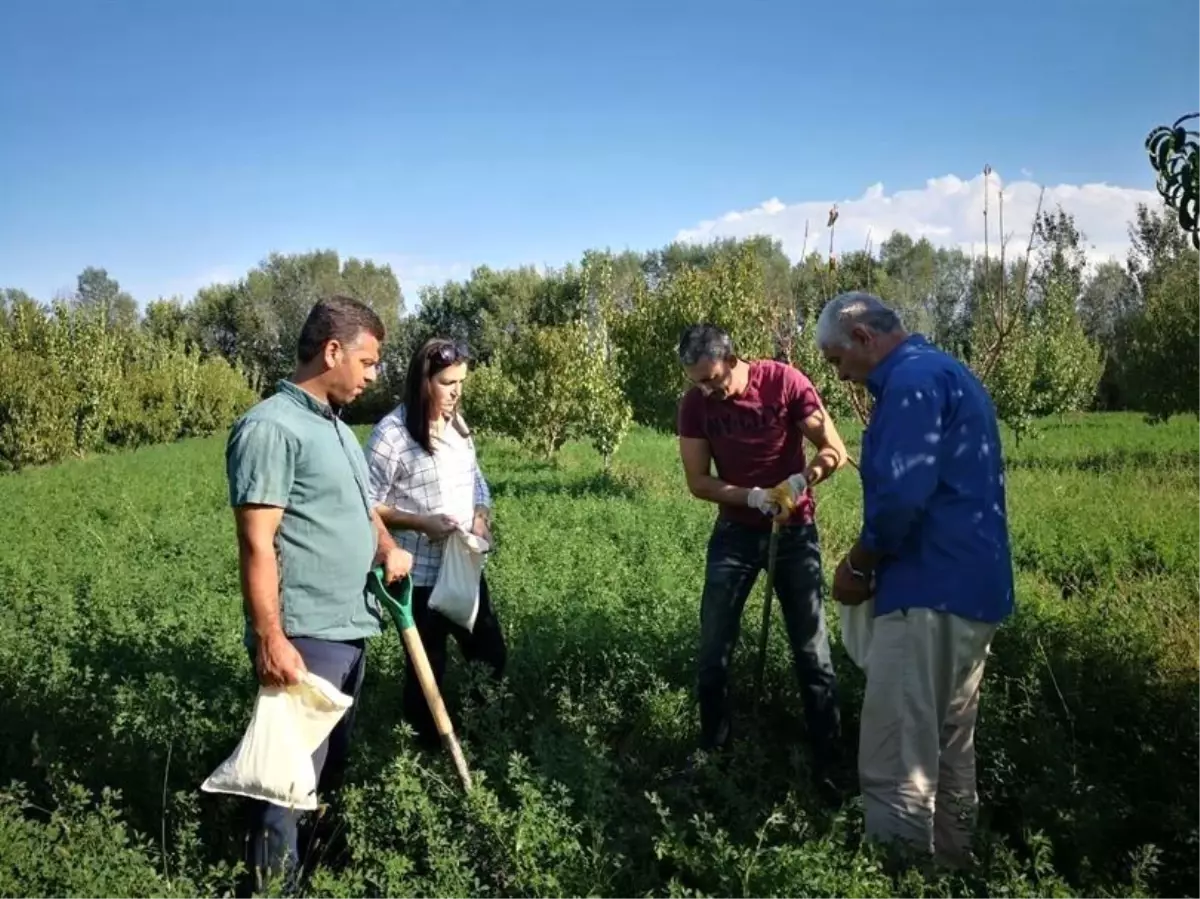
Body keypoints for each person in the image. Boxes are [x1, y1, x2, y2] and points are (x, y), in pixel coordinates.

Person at [816, 291, 1015, 869]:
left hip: (927, 590)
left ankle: (900, 876)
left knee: (898, 755)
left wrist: (858, 565)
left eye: (836, 360)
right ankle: (953, 866)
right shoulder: (951, 373)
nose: (841, 374)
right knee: (951, 745)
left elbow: (902, 496)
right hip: (973, 590)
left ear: (862, 338)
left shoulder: (909, 385)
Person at [225, 294, 414, 894]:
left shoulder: (334, 427)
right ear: (332, 351)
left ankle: (314, 876)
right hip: (305, 639)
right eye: (369, 361)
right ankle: (275, 888)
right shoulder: (270, 428)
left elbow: (362, 511)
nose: (374, 374)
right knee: (284, 783)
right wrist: (271, 638)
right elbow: (257, 544)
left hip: (349, 627)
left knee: (326, 772)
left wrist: (385, 547)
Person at [675, 323, 849, 789]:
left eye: (712, 378)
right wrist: (751, 497)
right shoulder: (695, 405)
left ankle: (829, 763)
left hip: (793, 534)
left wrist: (801, 482)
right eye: (698, 381)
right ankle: (715, 751)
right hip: (734, 532)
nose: (707, 389)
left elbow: (835, 449)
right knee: (714, 649)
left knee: (812, 651)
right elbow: (698, 482)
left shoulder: (784, 383)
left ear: (732, 359)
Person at [363, 337, 507, 750]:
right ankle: (427, 752)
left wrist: (480, 519)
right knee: (427, 669)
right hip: (418, 577)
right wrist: (419, 522)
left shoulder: (458, 425)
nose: (456, 391)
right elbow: (365, 503)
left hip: (462, 567)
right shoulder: (392, 435)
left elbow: (477, 481)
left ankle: (484, 736)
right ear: (423, 381)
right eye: (447, 382)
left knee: (491, 656)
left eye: (461, 381)